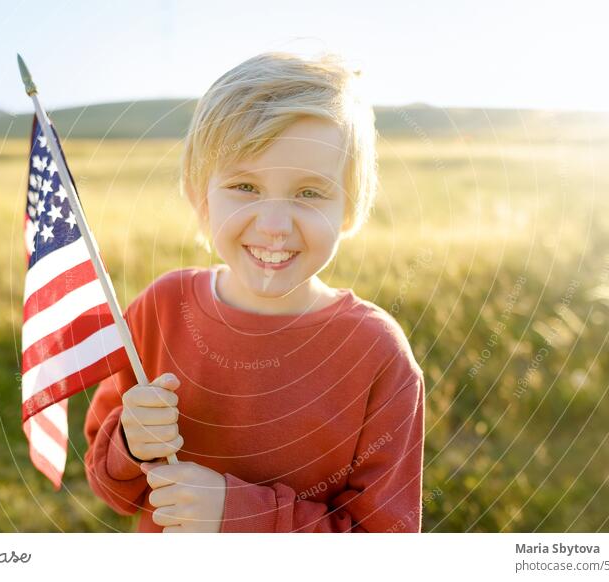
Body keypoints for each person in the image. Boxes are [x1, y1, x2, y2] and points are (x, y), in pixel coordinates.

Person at [83, 51, 425, 533]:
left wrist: (236, 514)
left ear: (350, 208)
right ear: (201, 199)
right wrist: (130, 444)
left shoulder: (377, 354)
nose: (274, 226)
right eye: (244, 186)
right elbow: (110, 487)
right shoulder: (161, 308)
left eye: (310, 193)